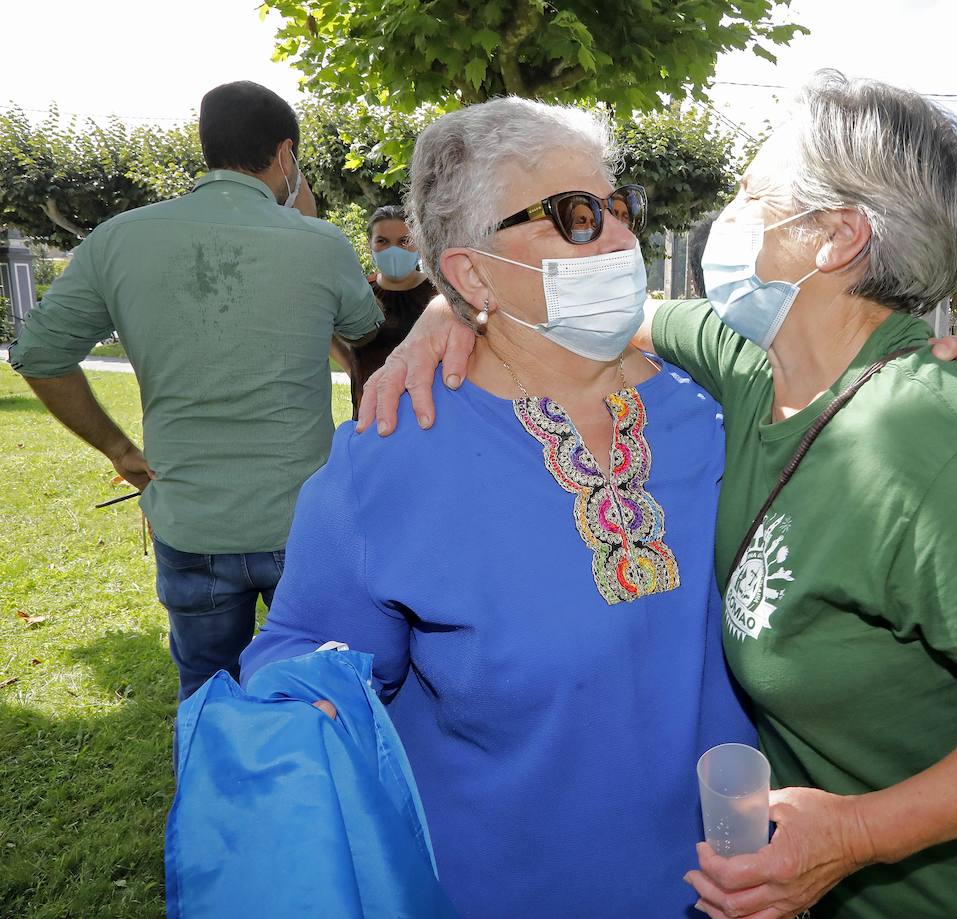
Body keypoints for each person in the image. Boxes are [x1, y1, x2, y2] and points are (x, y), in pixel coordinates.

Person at [360, 71, 957, 918]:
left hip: (939, 892)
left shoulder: (929, 434)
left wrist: (854, 834)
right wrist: (452, 303)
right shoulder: (753, 367)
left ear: (835, 237)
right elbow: (591, 309)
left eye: (750, 195)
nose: (723, 220)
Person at [237, 97, 757, 916]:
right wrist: (303, 705)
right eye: (575, 217)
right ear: (473, 271)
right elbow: (301, 649)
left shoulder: (718, 413)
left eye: (617, 206)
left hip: (730, 885)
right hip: (500, 890)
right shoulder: (389, 457)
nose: (622, 239)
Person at [7, 81, 383, 703]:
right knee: (323, 694)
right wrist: (308, 225)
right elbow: (365, 331)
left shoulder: (119, 238)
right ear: (285, 155)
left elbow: (39, 357)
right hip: (303, 520)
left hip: (191, 520)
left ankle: (217, 800)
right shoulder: (318, 242)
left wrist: (119, 451)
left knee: (207, 695)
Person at [333, 205, 437, 418]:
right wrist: (353, 369)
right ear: (370, 244)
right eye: (383, 241)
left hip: (426, 414)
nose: (394, 250)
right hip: (368, 415)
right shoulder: (360, 292)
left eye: (404, 241)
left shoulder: (439, 294)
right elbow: (327, 326)